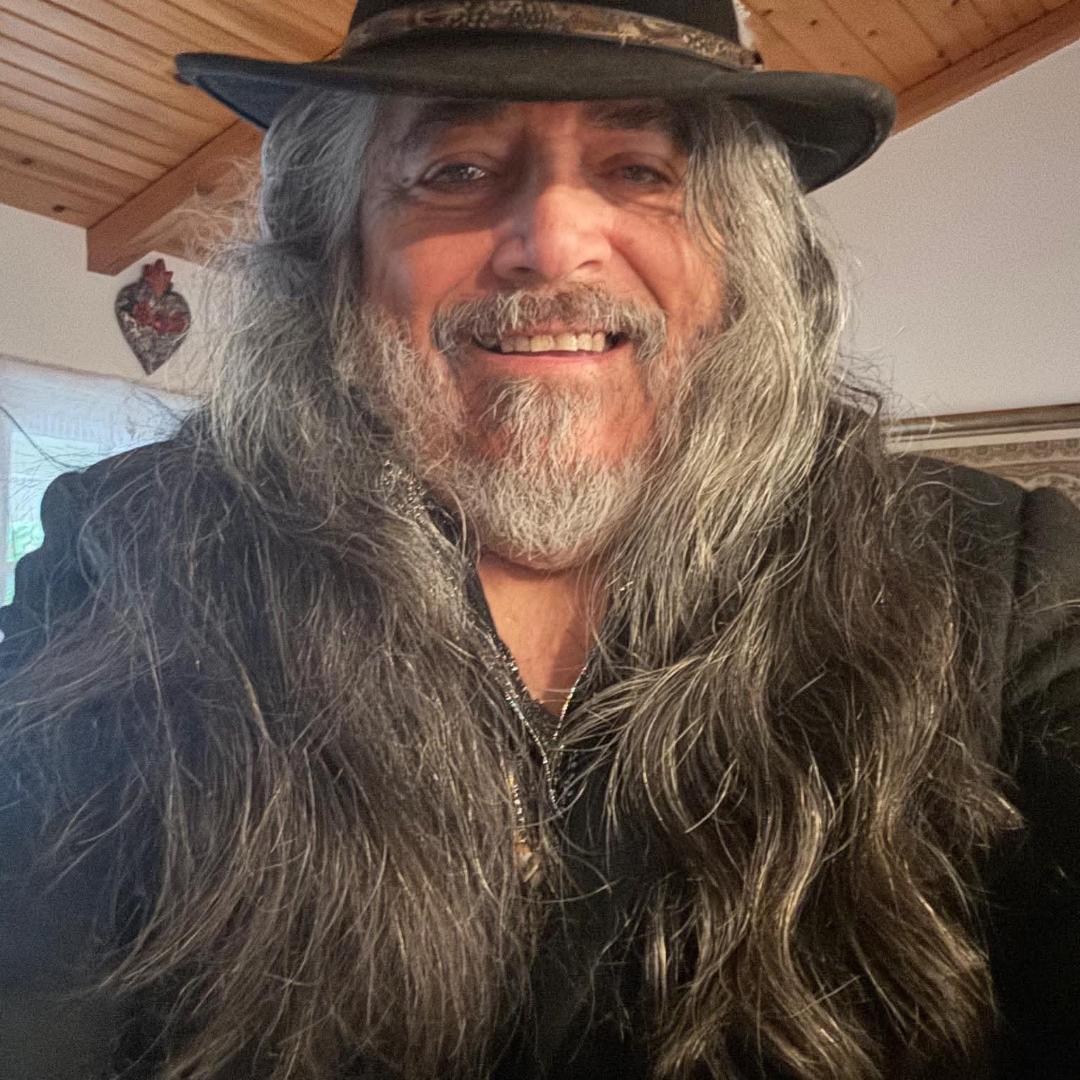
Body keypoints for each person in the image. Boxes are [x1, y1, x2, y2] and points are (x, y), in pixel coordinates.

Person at [1, 1, 1078, 1078]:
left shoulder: (997, 576)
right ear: (338, 256)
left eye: (642, 170)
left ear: (740, 259)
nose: (554, 243)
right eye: (457, 170)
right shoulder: (129, 558)